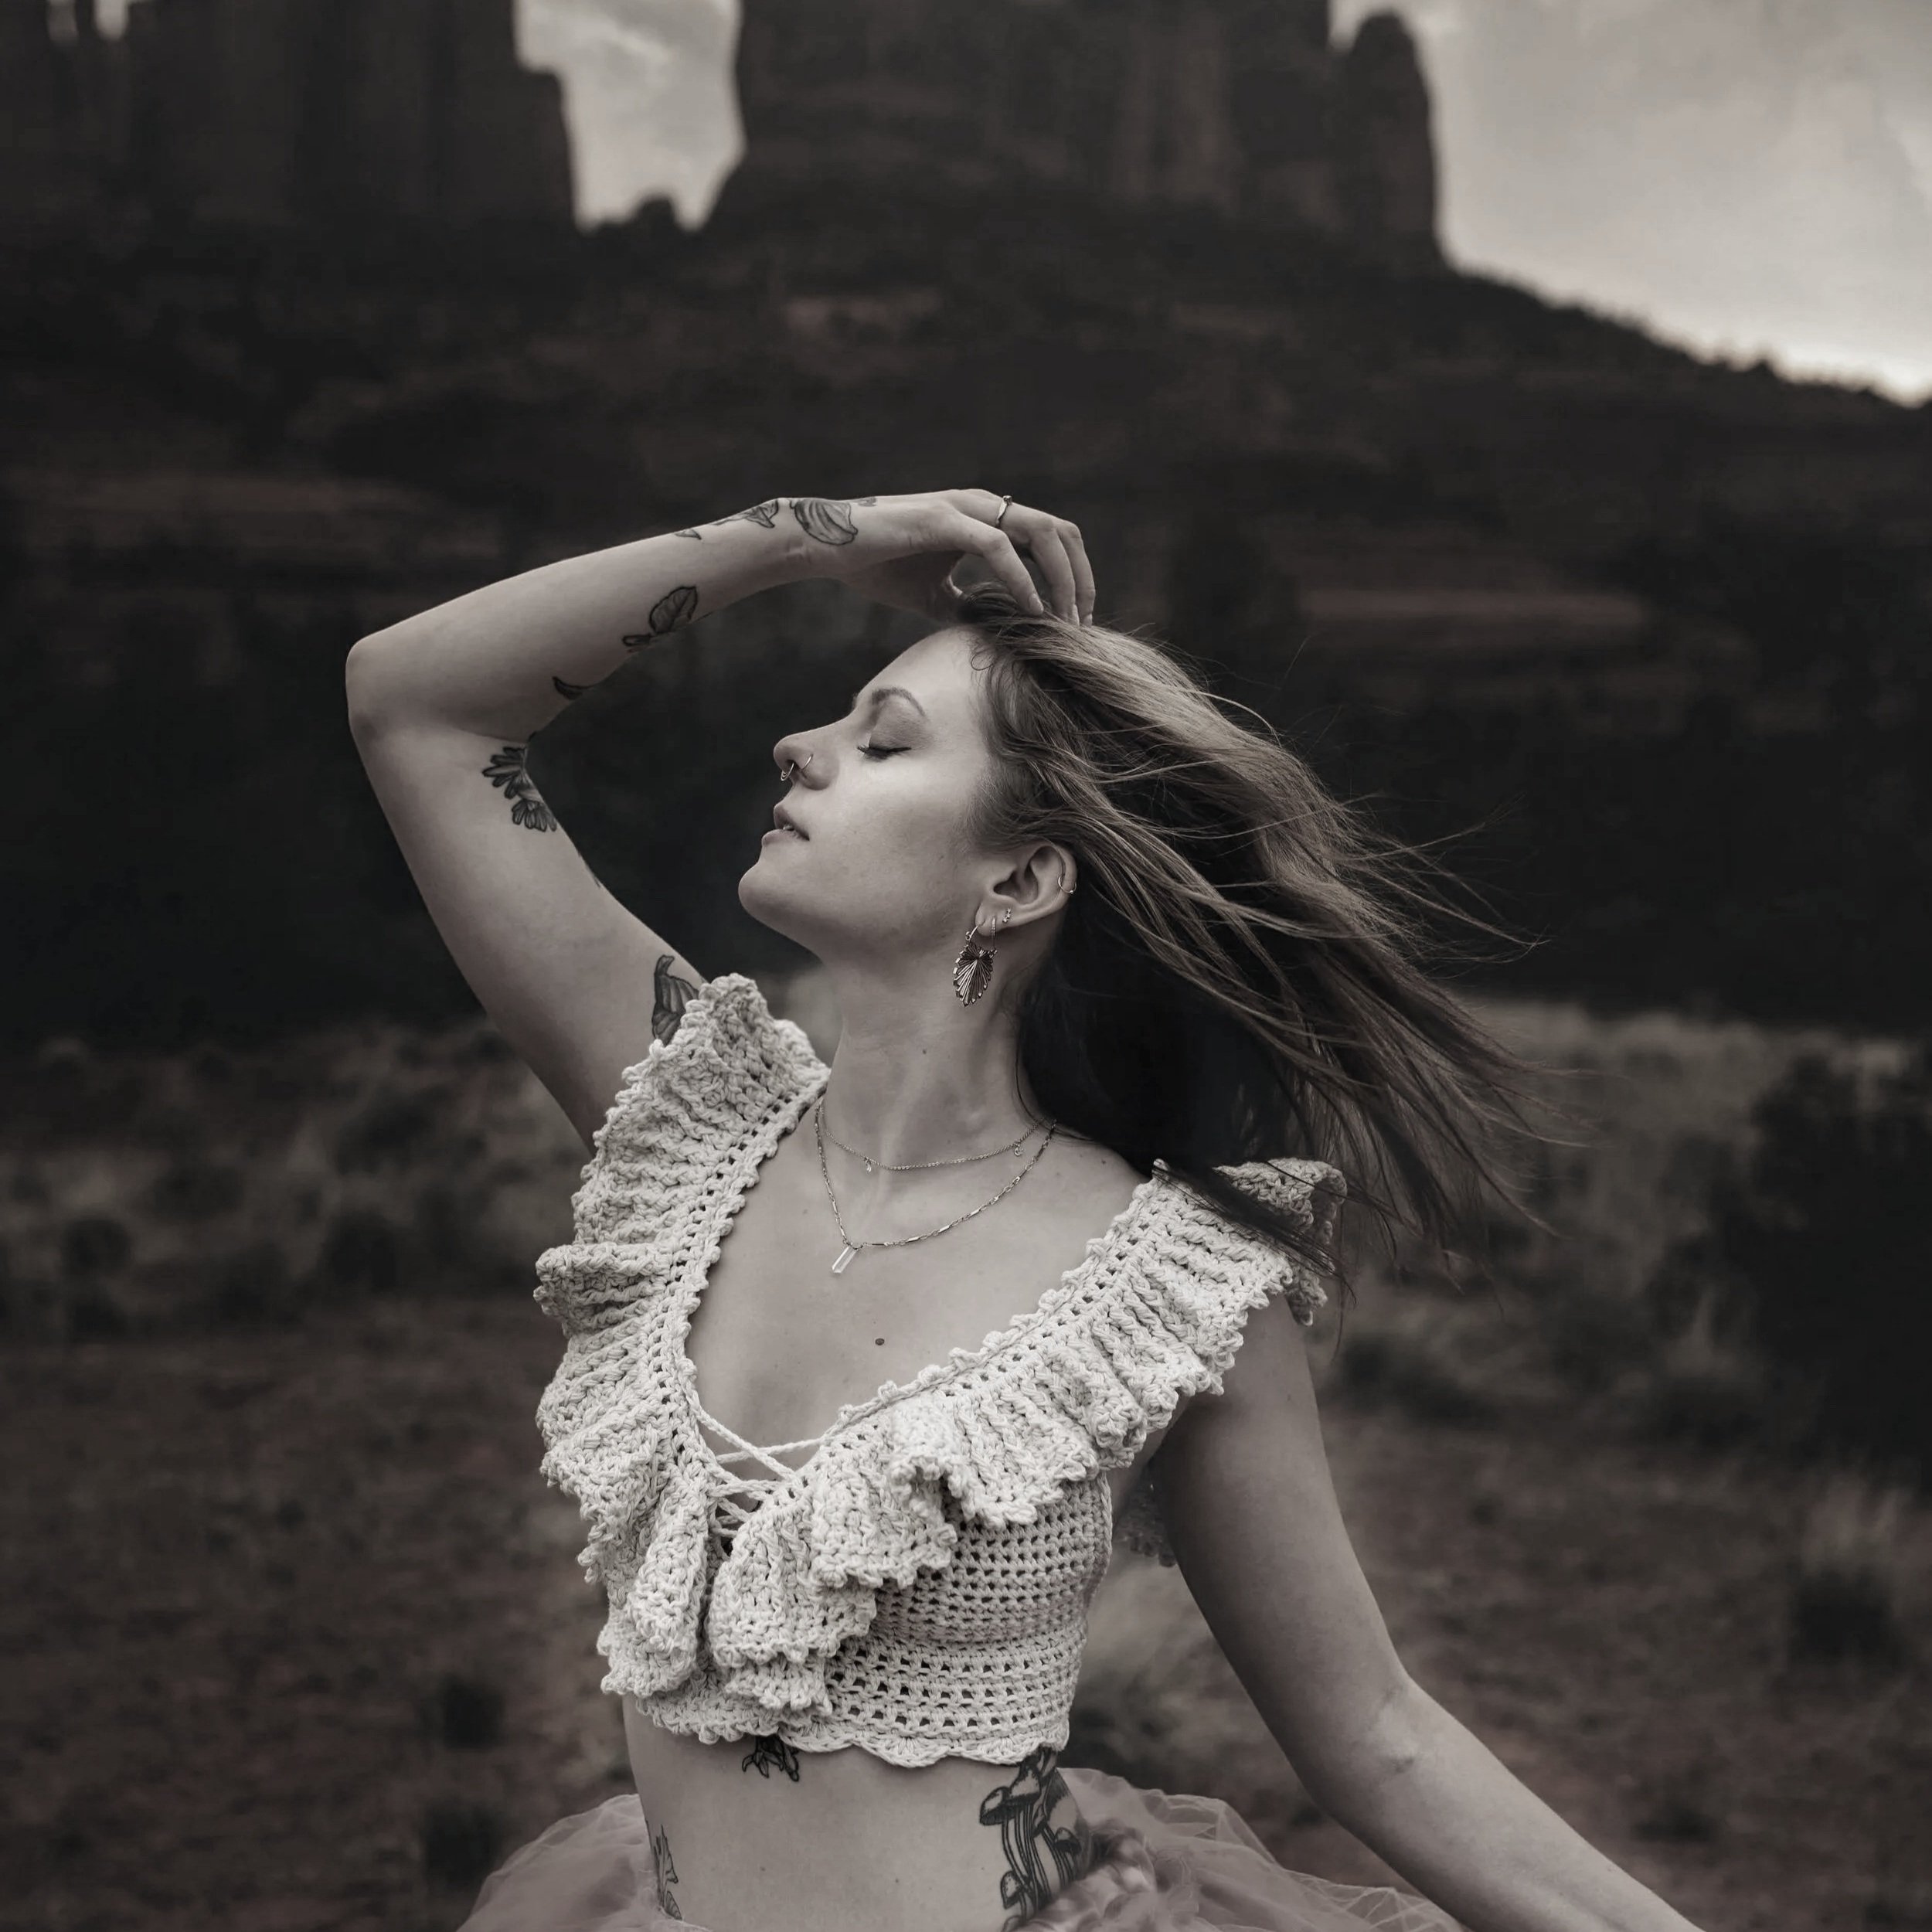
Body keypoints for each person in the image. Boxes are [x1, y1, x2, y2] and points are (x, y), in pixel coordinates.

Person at [346, 490, 1707, 1932]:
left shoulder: (1166, 1292)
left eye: (883, 741)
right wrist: (809, 538)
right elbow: (417, 706)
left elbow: (1378, 1736)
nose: (798, 749)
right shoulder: (688, 1129)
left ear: (1024, 876)